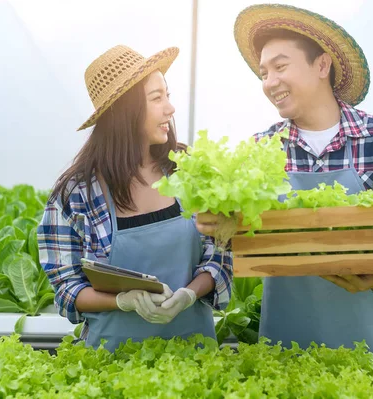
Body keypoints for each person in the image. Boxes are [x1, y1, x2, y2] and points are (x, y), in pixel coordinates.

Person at [197, 4, 373, 361]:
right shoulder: (261, 149)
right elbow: (235, 251)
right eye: (263, 72)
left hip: (371, 345)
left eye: (280, 67)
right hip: (287, 344)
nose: (269, 82)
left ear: (322, 65)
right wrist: (220, 231)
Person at [37, 44, 233, 353]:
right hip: (110, 365)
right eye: (157, 98)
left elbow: (219, 254)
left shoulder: (191, 169)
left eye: (167, 95)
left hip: (196, 359)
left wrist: (188, 295)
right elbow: (67, 287)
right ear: (124, 112)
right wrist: (121, 301)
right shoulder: (76, 194)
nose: (170, 108)